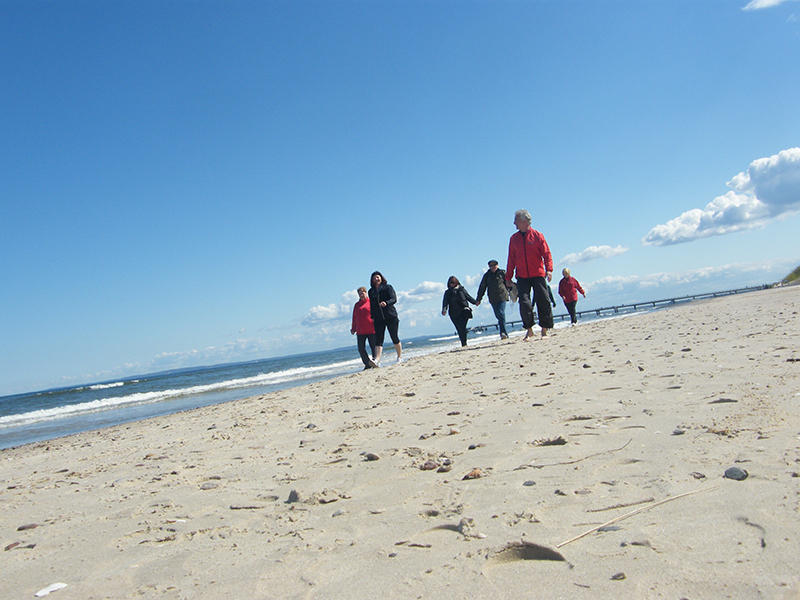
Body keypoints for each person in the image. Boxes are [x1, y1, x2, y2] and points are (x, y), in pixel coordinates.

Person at [505, 209, 554, 339]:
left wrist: (549, 270)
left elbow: (547, 254)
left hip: (538, 274)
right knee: (524, 303)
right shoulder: (513, 239)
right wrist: (508, 277)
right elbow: (511, 259)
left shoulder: (538, 236)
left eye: (516, 221)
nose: (514, 224)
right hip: (522, 276)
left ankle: (544, 329)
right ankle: (529, 329)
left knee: (543, 300)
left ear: (524, 221)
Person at [368, 271, 402, 363]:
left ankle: (399, 357)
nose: (376, 279)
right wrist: (372, 315)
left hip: (391, 316)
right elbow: (371, 304)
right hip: (378, 318)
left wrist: (386, 303)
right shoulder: (371, 291)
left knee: (394, 337)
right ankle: (377, 360)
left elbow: (394, 299)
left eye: (378, 277)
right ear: (372, 280)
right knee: (378, 340)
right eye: (374, 278)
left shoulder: (388, 287)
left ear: (381, 278)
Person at [476, 259, 510, 339]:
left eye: (494, 265)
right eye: (491, 266)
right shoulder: (487, 275)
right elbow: (482, 287)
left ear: (497, 265)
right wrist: (479, 299)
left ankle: (503, 333)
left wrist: (511, 291)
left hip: (502, 296)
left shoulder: (502, 273)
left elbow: (508, 283)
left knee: (501, 313)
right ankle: (503, 332)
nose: (493, 267)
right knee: (498, 314)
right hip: (493, 298)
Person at [441, 276, 479, 347]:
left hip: (464, 312)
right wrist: (444, 310)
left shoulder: (461, 289)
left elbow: (468, 297)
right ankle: (463, 343)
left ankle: (464, 343)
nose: (451, 284)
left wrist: (475, 302)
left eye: (453, 283)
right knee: (459, 328)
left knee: (462, 327)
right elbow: (445, 302)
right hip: (453, 313)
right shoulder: (447, 292)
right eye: (450, 283)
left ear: (456, 282)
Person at [351, 287, 378, 369]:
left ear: (366, 293)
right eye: (359, 294)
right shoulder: (356, 305)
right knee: (361, 349)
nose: (361, 295)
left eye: (362, 293)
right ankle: (367, 364)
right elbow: (354, 317)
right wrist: (353, 328)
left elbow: (377, 314)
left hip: (371, 329)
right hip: (360, 331)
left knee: (373, 347)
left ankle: (375, 361)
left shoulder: (371, 302)